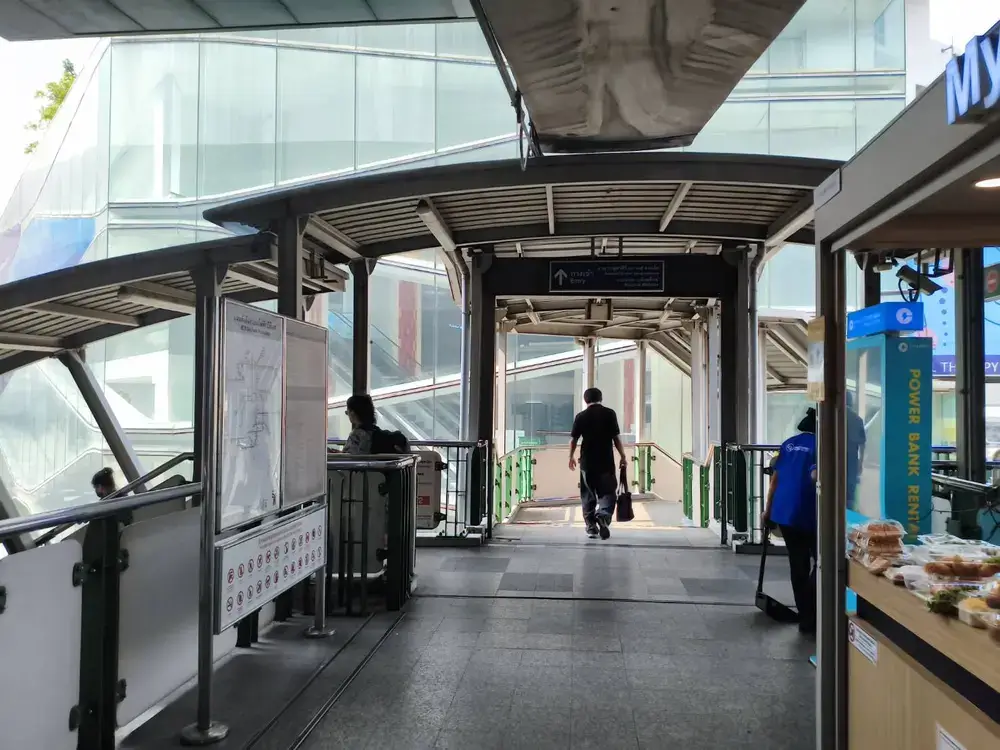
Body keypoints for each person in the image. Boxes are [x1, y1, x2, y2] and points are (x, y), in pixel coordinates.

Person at [762, 407, 818, 635]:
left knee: (798, 565)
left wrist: (767, 511)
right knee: (823, 563)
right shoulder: (820, 445)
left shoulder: (788, 444)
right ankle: (817, 610)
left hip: (783, 511)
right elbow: (816, 477)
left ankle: (806, 619)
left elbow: (775, 480)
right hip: (809, 512)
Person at [568, 387, 628, 540]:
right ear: (601, 398)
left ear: (585, 400)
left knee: (587, 494)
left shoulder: (581, 416)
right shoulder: (610, 414)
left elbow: (573, 440)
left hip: (587, 463)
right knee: (608, 493)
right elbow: (616, 438)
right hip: (606, 462)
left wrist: (571, 457)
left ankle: (591, 527)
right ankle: (603, 515)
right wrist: (622, 456)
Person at [846, 391, 867, 512]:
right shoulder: (857, 419)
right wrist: (861, 462)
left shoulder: (833, 416)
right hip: (851, 459)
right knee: (850, 491)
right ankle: (848, 516)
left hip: (834, 459)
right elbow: (862, 444)